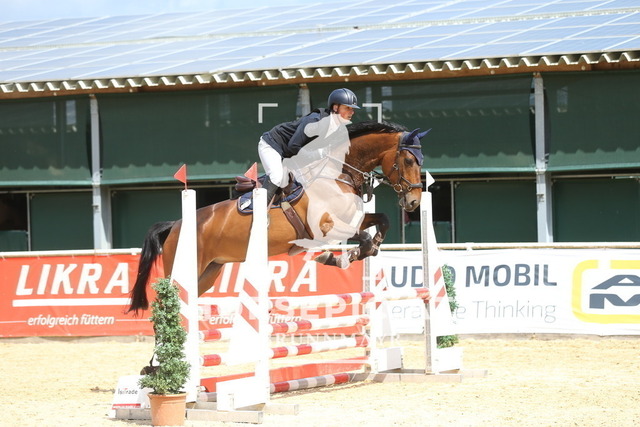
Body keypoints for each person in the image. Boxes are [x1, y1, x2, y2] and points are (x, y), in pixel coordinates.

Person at [258, 88, 360, 205]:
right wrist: (316, 154)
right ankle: (259, 212)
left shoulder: (339, 129)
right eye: (347, 108)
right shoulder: (315, 121)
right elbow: (293, 146)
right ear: (335, 108)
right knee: (277, 177)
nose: (352, 112)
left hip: (291, 154)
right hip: (273, 144)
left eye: (352, 109)